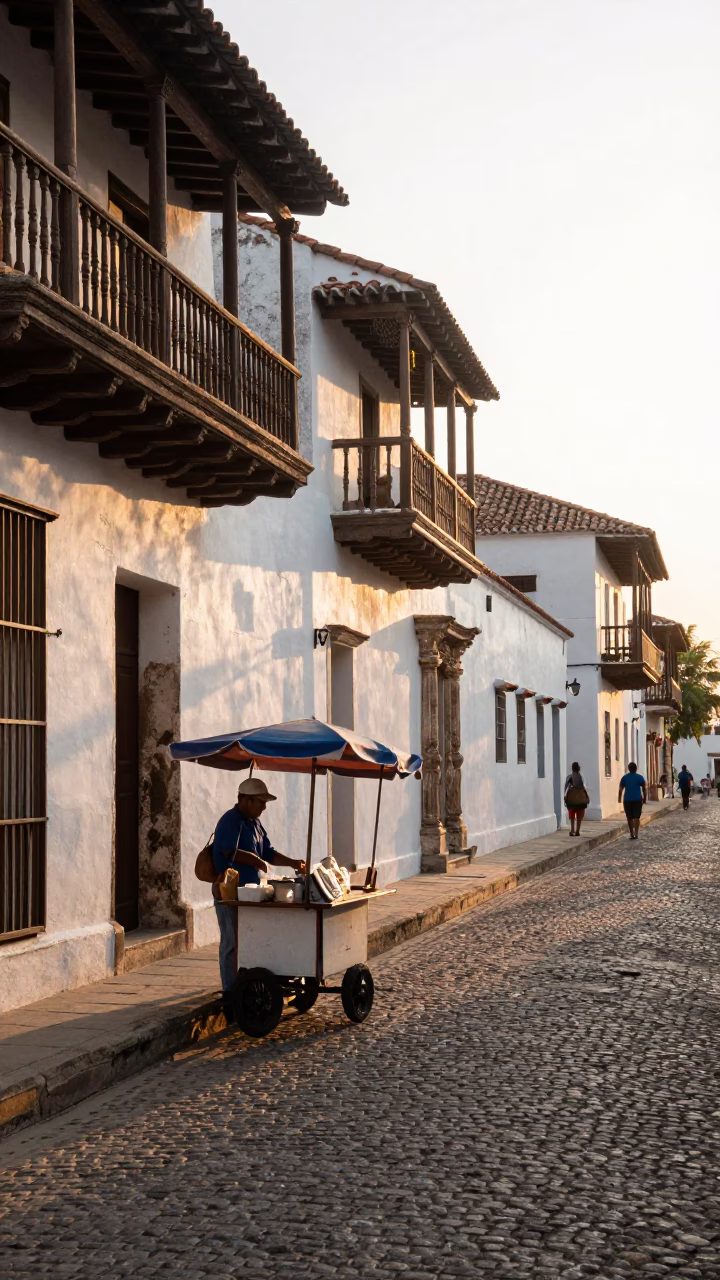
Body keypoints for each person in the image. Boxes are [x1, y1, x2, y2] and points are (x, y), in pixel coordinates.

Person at [213, 777, 305, 1005]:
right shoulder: (230, 820)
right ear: (245, 800)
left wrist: (293, 862)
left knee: (253, 940)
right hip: (230, 892)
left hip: (251, 894)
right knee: (231, 942)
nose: (264, 806)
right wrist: (255, 860)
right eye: (261, 802)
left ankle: (249, 984)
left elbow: (269, 853)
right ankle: (230, 992)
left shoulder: (255, 823)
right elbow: (227, 851)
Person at [618, 762, 647, 840]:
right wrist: (645, 798)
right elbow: (644, 788)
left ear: (629, 769)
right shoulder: (640, 777)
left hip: (627, 800)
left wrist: (619, 798)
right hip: (637, 799)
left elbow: (621, 789)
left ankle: (631, 834)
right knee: (637, 817)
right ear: (636, 769)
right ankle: (636, 833)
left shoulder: (624, 778)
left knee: (629, 817)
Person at [564, 762, 589, 836]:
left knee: (572, 815)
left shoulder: (569, 777)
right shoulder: (581, 777)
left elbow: (566, 788)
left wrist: (565, 797)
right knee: (579, 814)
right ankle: (577, 830)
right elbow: (584, 787)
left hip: (572, 798)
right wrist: (586, 796)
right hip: (580, 798)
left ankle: (572, 830)